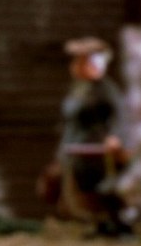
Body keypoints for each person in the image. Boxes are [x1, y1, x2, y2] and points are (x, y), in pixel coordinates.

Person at [54, 36, 131, 235]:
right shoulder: (79, 89)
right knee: (83, 188)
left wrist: (116, 137)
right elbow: (71, 121)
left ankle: (120, 224)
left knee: (104, 186)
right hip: (78, 148)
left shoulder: (105, 89)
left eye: (82, 60)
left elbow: (120, 115)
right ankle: (99, 223)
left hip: (99, 149)